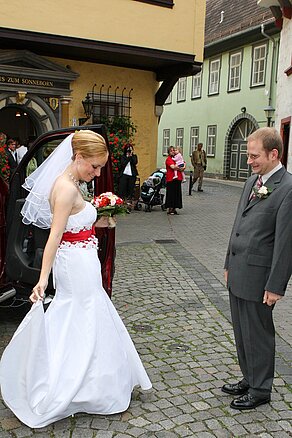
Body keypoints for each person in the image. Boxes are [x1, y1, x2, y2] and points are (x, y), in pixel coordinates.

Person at [0, 130, 152, 428]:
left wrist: (100, 220)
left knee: (82, 315)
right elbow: (54, 236)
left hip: (81, 258)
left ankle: (90, 381)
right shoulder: (67, 189)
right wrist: (42, 279)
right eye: (93, 166)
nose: (96, 173)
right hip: (75, 265)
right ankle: (74, 384)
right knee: (81, 315)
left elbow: (72, 225)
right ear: (78, 157)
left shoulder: (71, 183)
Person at [222, 127, 292, 411]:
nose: (248, 161)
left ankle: (261, 389)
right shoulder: (253, 181)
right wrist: (228, 262)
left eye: (254, 156)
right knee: (241, 330)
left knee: (259, 333)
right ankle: (249, 378)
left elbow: (286, 243)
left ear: (273, 154)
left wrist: (275, 285)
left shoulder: (287, 189)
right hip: (239, 270)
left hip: (260, 276)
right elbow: (238, 225)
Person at [165, 145, 185, 215]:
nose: (173, 152)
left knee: (177, 194)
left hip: (178, 178)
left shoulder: (177, 157)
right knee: (171, 194)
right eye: (171, 151)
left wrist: (180, 167)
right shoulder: (169, 159)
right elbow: (173, 167)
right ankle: (170, 208)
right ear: (168, 152)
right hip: (171, 178)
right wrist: (180, 167)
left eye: (173, 150)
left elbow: (183, 165)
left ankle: (175, 208)